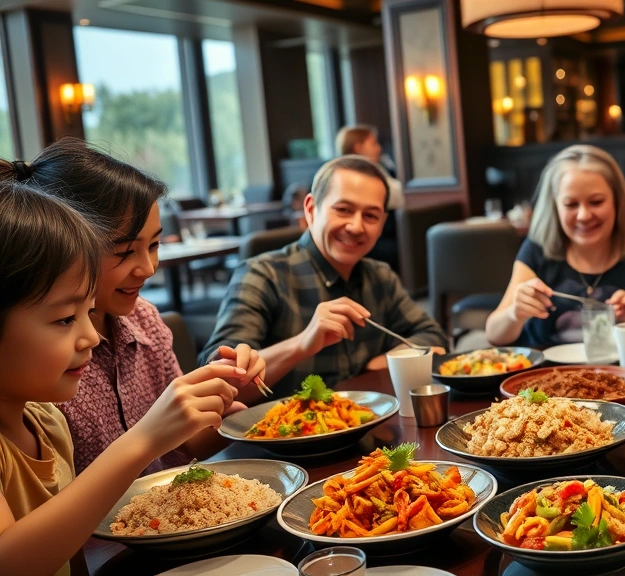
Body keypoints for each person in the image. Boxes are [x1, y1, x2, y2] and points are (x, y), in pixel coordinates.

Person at [0, 181, 245, 576]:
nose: (91, 336)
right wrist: (143, 439)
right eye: (65, 319)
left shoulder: (46, 420)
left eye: (89, 311)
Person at [1, 139, 266, 475]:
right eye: (125, 251)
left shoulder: (144, 319)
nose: (148, 267)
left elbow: (185, 443)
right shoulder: (33, 366)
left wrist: (228, 392)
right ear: (69, 247)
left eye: (154, 245)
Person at [201, 155, 447, 396]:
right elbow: (216, 376)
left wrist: (383, 361)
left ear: (382, 223)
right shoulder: (263, 275)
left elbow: (432, 336)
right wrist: (302, 344)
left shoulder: (380, 277)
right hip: (282, 433)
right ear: (311, 209)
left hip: (372, 427)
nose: (356, 226)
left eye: (370, 216)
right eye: (343, 209)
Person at [486, 144, 625, 349]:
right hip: (542, 376)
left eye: (596, 202)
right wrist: (514, 313)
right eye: (571, 205)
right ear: (555, 207)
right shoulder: (537, 250)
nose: (584, 216)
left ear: (617, 201)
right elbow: (495, 336)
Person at [335, 124, 405, 210]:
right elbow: (397, 198)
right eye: (374, 144)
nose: (379, 148)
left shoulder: (374, 168)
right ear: (358, 148)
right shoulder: (360, 176)